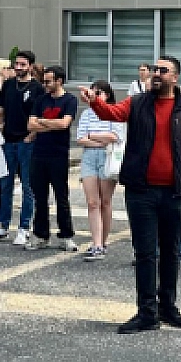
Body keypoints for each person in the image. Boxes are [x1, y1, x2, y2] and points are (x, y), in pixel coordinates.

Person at [82, 56, 181, 334]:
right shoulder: (137, 102)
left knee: (171, 252)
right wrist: (94, 101)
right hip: (141, 191)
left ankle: (167, 306)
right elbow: (111, 114)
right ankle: (147, 312)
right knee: (145, 252)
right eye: (154, 70)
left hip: (175, 192)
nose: (156, 74)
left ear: (175, 77)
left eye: (162, 71)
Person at [26, 64, 80, 251]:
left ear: (59, 81)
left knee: (61, 197)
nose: (45, 84)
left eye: (49, 81)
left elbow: (65, 124)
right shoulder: (41, 100)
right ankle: (41, 235)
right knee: (40, 198)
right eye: (44, 80)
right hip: (39, 154)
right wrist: (50, 124)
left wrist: (42, 122)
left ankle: (66, 235)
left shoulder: (70, 100)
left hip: (58, 155)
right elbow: (31, 125)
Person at [0, 52, 41, 245]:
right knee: (5, 184)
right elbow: (0, 108)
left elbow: (39, 115)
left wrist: (31, 136)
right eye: (16, 64)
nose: (18, 67)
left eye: (23, 64)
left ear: (30, 66)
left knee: (27, 186)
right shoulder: (9, 85)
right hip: (8, 141)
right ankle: (2, 226)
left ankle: (24, 228)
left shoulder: (36, 88)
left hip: (27, 142)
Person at [75, 79, 126, 260]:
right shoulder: (87, 114)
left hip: (108, 156)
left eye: (98, 93)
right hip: (89, 156)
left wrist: (92, 135)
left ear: (107, 95)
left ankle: (103, 241)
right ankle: (96, 243)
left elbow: (115, 136)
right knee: (92, 202)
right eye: (92, 92)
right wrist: (98, 139)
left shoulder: (113, 112)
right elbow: (80, 138)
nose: (94, 96)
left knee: (105, 200)